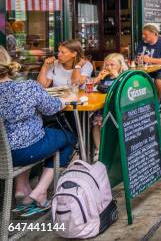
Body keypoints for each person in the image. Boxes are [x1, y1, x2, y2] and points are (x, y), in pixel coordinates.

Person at [0, 47, 77, 216]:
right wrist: (68, 99)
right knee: (68, 137)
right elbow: (51, 108)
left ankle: (22, 187)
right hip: (25, 151)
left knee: (42, 135)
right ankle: (40, 191)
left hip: (3, 156)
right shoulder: (28, 87)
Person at [90, 53, 128, 152]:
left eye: (112, 65)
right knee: (96, 123)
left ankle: (116, 148)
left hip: (117, 109)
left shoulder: (123, 77)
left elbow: (125, 90)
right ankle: (99, 150)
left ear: (120, 66)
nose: (109, 67)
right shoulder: (104, 78)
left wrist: (117, 77)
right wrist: (98, 78)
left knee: (105, 121)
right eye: (107, 65)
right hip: (103, 108)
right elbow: (89, 88)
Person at [136, 24, 161, 101]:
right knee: (134, 79)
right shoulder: (142, 43)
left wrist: (150, 60)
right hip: (147, 70)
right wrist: (138, 59)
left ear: (154, 33)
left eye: (145, 34)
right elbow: (137, 57)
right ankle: (140, 103)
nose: (143, 36)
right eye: (143, 34)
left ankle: (156, 103)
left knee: (159, 81)